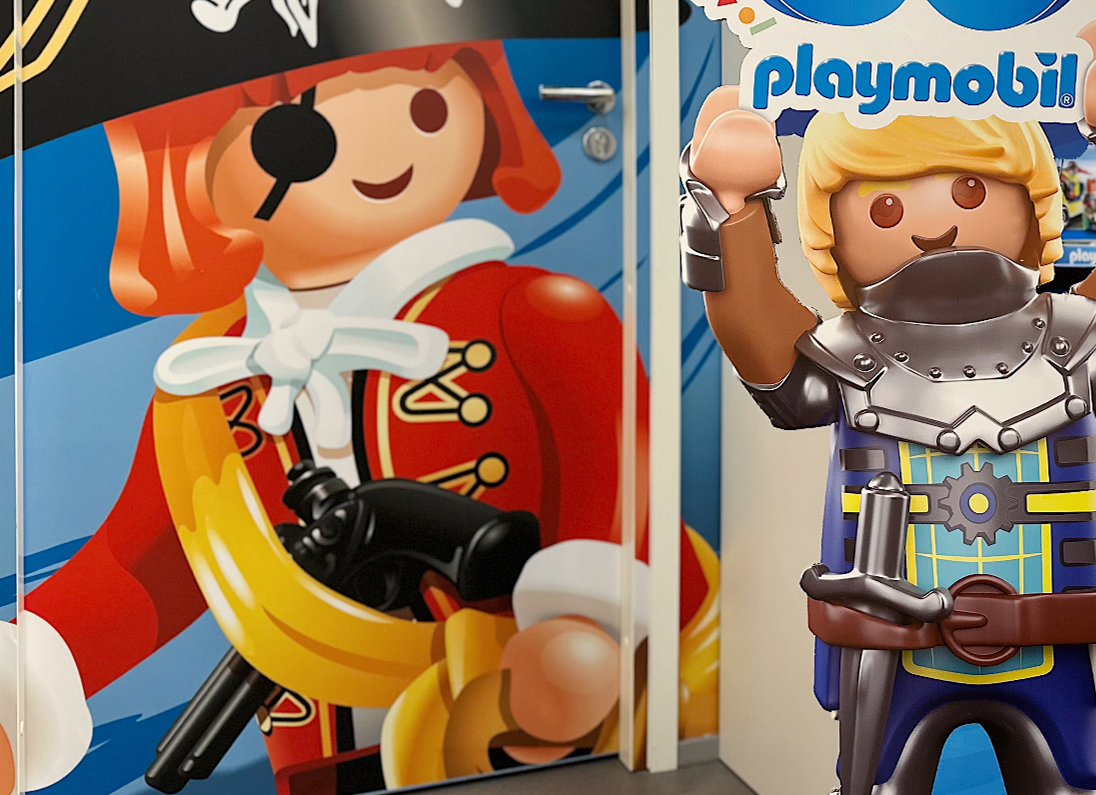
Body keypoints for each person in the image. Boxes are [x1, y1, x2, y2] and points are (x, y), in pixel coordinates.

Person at [15, 41, 715, 786]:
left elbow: (619, 484)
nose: (384, 147)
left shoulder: (532, 312)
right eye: (302, 132)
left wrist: (581, 624)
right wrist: (23, 685)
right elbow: (142, 572)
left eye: (427, 106)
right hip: (318, 752)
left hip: (510, 725)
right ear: (185, 162)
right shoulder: (209, 378)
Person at [681, 13, 1096, 794]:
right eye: (884, 210)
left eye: (969, 188)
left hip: (1056, 641)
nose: (932, 224)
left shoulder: (1071, 342)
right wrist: (730, 210)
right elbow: (763, 344)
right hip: (891, 654)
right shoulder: (850, 356)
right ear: (834, 235)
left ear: (1030, 202)